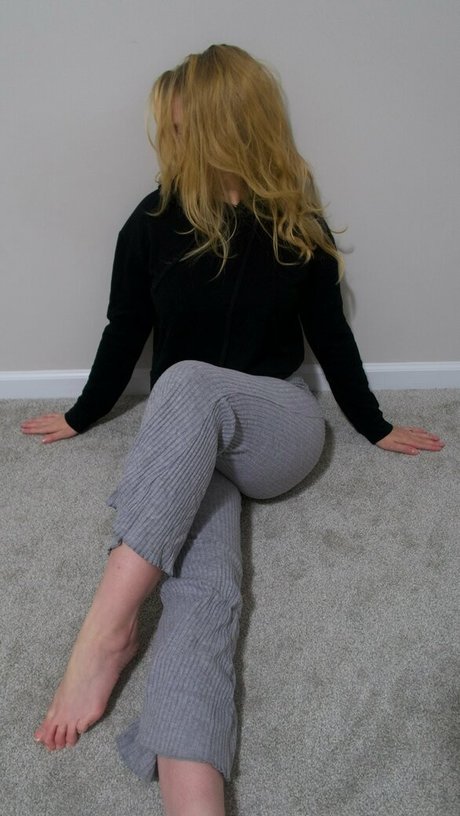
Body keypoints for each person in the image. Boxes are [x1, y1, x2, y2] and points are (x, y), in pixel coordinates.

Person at [21, 45, 444, 816]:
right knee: (203, 590)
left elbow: (330, 337)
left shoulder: (295, 223)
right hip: (192, 450)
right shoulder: (150, 224)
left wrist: (374, 425)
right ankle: (195, 792)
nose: (172, 142)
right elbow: (125, 329)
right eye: (170, 128)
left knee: (183, 382)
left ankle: (106, 629)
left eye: (185, 127)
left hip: (274, 429)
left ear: (233, 128)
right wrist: (83, 415)